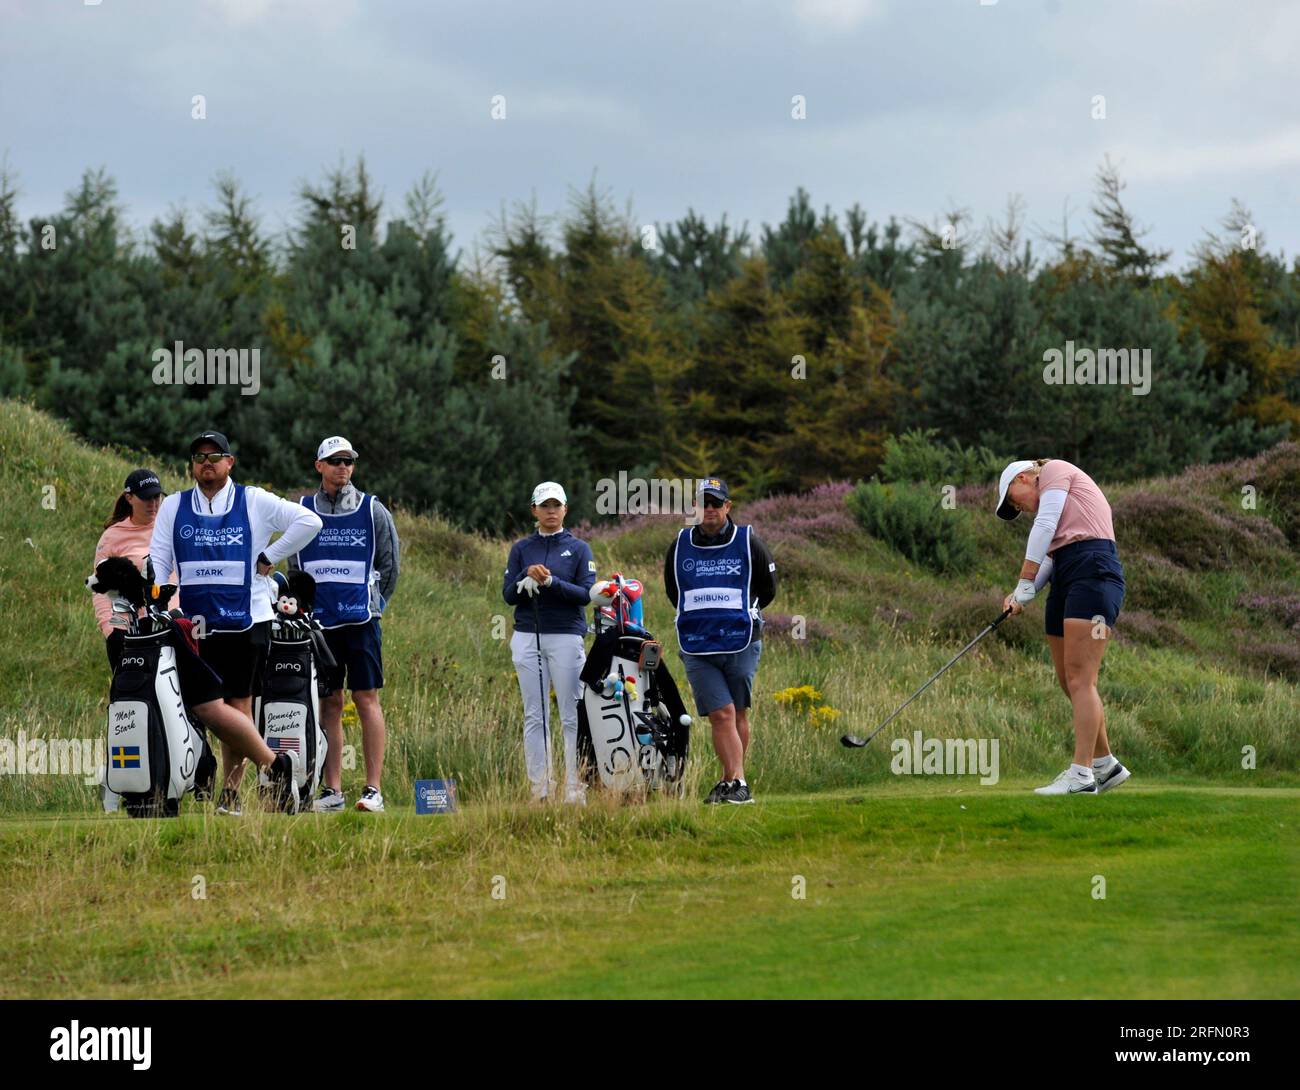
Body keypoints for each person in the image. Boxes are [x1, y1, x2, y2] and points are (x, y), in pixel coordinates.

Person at [149, 430, 323, 814]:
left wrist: (270, 554)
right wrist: (162, 599)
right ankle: (275, 766)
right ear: (192, 465)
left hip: (249, 621)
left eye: (215, 456)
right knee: (207, 706)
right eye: (199, 457)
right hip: (193, 626)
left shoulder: (254, 499)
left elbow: (309, 522)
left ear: (230, 462)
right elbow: (160, 561)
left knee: (238, 708)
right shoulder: (174, 506)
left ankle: (230, 796)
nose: (207, 463)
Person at [995, 458, 1130, 796]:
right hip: (1066, 572)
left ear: (1024, 478)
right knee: (1067, 678)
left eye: (1014, 499)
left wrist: (1025, 578)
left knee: (1082, 678)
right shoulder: (1058, 510)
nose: (1019, 508)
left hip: (1094, 568)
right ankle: (1105, 765)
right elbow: (1052, 557)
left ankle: (1081, 776)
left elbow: (1044, 523)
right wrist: (1021, 594)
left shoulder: (1054, 470)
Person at [289, 436, 400, 814]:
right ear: (319, 465)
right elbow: (295, 568)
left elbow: (390, 566)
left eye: (348, 461)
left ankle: (373, 789)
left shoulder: (373, 510)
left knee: (365, 698)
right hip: (320, 626)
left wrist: (374, 605)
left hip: (361, 622)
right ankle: (332, 790)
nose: (342, 468)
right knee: (329, 703)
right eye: (334, 461)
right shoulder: (302, 509)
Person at [663, 477, 777, 805]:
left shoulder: (748, 540)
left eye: (716, 503)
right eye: (704, 503)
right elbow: (676, 592)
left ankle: (730, 782)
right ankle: (739, 782)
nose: (710, 509)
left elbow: (767, 589)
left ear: (728, 507)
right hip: (697, 644)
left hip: (741, 639)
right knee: (721, 713)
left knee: (738, 712)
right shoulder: (680, 543)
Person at [502, 482, 596, 803]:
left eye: (557, 505)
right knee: (535, 715)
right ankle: (540, 789)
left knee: (572, 713)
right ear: (535, 511)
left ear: (565, 510)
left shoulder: (580, 549)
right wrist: (524, 576)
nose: (551, 511)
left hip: (567, 635)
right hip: (528, 634)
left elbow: (585, 595)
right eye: (545, 506)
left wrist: (552, 582)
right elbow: (508, 596)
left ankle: (574, 788)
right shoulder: (521, 549)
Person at [92, 469, 177, 670]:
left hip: (173, 622)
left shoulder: (172, 527)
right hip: (132, 630)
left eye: (157, 497)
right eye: (146, 498)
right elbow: (102, 589)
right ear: (129, 498)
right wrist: (112, 629)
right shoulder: (112, 537)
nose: (153, 504)